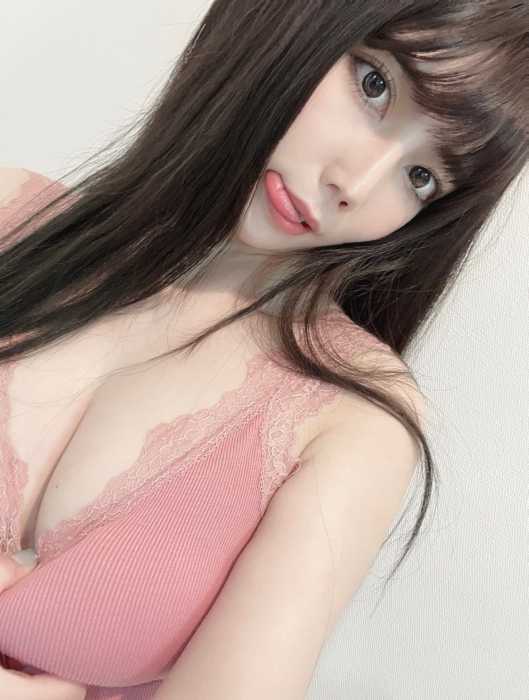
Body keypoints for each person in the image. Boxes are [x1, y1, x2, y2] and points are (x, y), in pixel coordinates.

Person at [1, 1, 528, 698]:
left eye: (421, 177)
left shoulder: (350, 423)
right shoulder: (10, 215)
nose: (355, 185)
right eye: (375, 85)